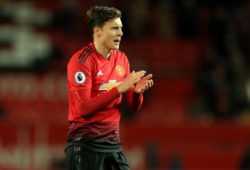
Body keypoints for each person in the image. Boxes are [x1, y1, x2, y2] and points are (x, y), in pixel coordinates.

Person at [65, 5, 154, 170]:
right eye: (114, 28)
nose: (120, 33)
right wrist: (118, 89)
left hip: (113, 146)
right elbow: (82, 109)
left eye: (120, 28)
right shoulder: (81, 61)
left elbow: (133, 107)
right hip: (85, 147)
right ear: (98, 31)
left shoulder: (122, 59)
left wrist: (136, 93)